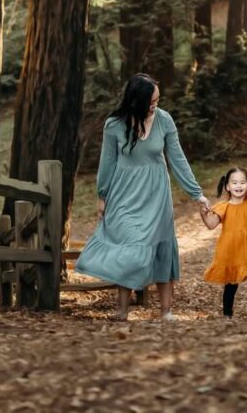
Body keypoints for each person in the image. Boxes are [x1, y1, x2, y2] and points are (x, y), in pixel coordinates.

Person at [76, 73, 210, 320]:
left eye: (157, 100)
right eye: (151, 101)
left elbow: (178, 159)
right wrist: (102, 195)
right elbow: (107, 163)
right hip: (124, 194)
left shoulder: (164, 120)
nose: (155, 105)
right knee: (131, 246)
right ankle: (122, 310)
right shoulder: (114, 125)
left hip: (156, 194)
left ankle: (166, 311)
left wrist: (197, 194)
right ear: (136, 101)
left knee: (162, 246)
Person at [201, 165, 247, 319]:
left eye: (243, 183)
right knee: (231, 282)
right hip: (231, 249)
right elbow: (211, 224)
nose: (239, 186)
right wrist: (203, 215)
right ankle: (227, 313)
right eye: (235, 183)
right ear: (228, 186)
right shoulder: (223, 207)